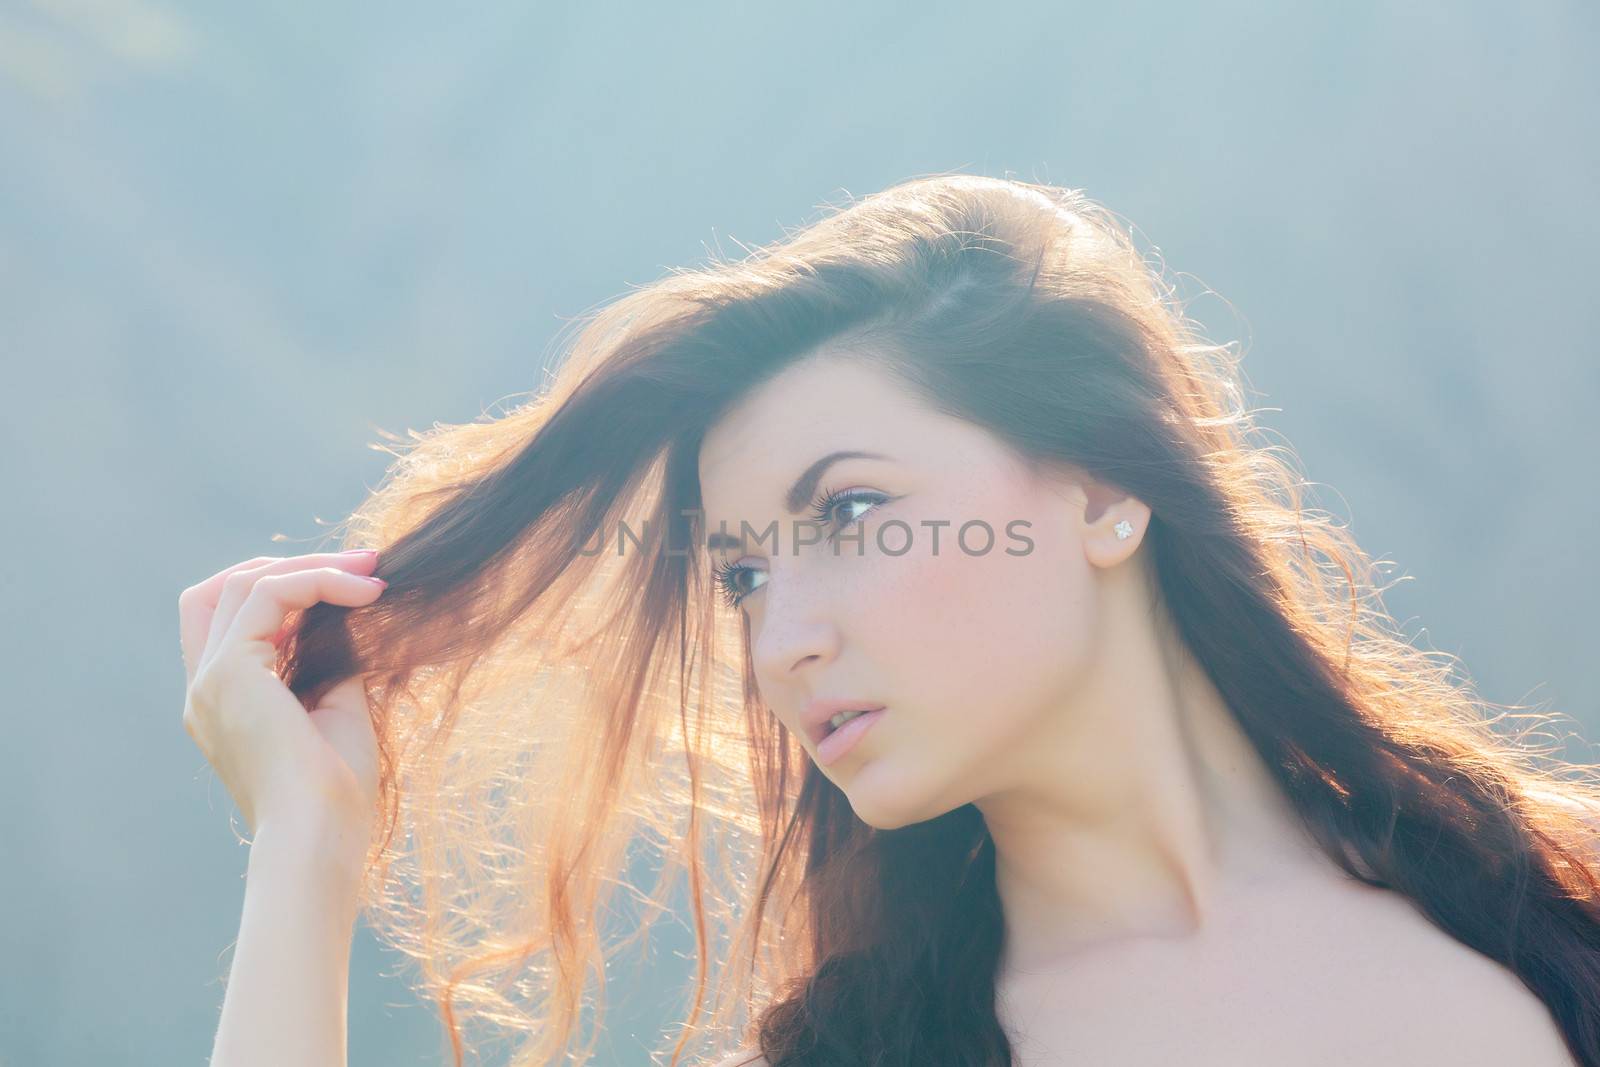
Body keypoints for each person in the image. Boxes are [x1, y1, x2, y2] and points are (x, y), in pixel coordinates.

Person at [177, 175, 1600, 1067]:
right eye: (739, 575)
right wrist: (304, 851)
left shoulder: (1554, 914)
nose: (777, 638)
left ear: (1104, 489)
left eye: (847, 515)